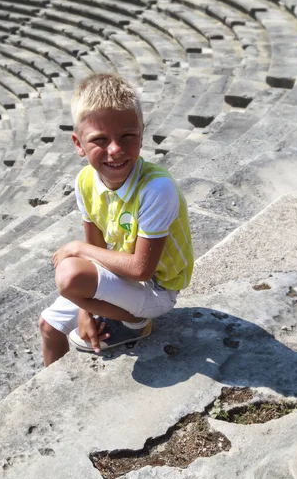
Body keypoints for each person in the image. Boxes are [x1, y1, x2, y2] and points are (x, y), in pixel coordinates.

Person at [38, 74, 194, 367]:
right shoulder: (85, 181)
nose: (115, 150)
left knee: (70, 274)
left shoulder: (156, 188)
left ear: (142, 134)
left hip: (157, 289)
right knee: (48, 326)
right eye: (99, 139)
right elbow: (97, 246)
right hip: (121, 274)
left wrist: (78, 250)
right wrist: (85, 311)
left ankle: (137, 321)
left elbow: (141, 269)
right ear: (78, 144)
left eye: (127, 136)